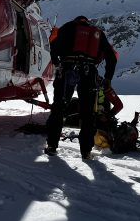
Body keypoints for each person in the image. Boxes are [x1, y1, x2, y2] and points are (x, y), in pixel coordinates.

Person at [44, 15, 117, 160]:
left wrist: (57, 63)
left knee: (59, 108)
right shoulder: (97, 33)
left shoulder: (67, 28)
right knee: (88, 112)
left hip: (67, 69)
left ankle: (52, 146)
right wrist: (108, 77)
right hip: (89, 72)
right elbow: (111, 57)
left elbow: (53, 47)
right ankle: (86, 151)